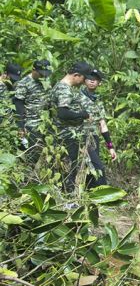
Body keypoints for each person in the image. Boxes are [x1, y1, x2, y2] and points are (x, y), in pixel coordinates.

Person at [50, 61, 93, 191]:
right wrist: (82, 115)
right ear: (76, 75)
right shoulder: (64, 89)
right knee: (68, 169)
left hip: (63, 135)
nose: (84, 82)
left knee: (63, 169)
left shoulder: (59, 86)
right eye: (83, 79)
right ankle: (67, 194)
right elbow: (63, 113)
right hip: (66, 136)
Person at [78, 68, 117, 188]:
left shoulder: (98, 100)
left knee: (91, 171)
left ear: (99, 82)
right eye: (89, 78)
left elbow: (102, 124)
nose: (92, 81)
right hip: (81, 137)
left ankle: (91, 196)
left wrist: (110, 146)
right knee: (98, 168)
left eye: (95, 79)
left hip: (94, 138)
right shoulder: (77, 96)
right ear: (85, 80)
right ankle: (105, 194)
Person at [13, 59, 52, 163]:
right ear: (33, 70)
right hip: (31, 124)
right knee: (33, 155)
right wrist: (21, 126)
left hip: (45, 123)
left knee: (46, 154)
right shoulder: (24, 83)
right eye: (40, 73)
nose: (43, 76)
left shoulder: (46, 81)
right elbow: (18, 105)